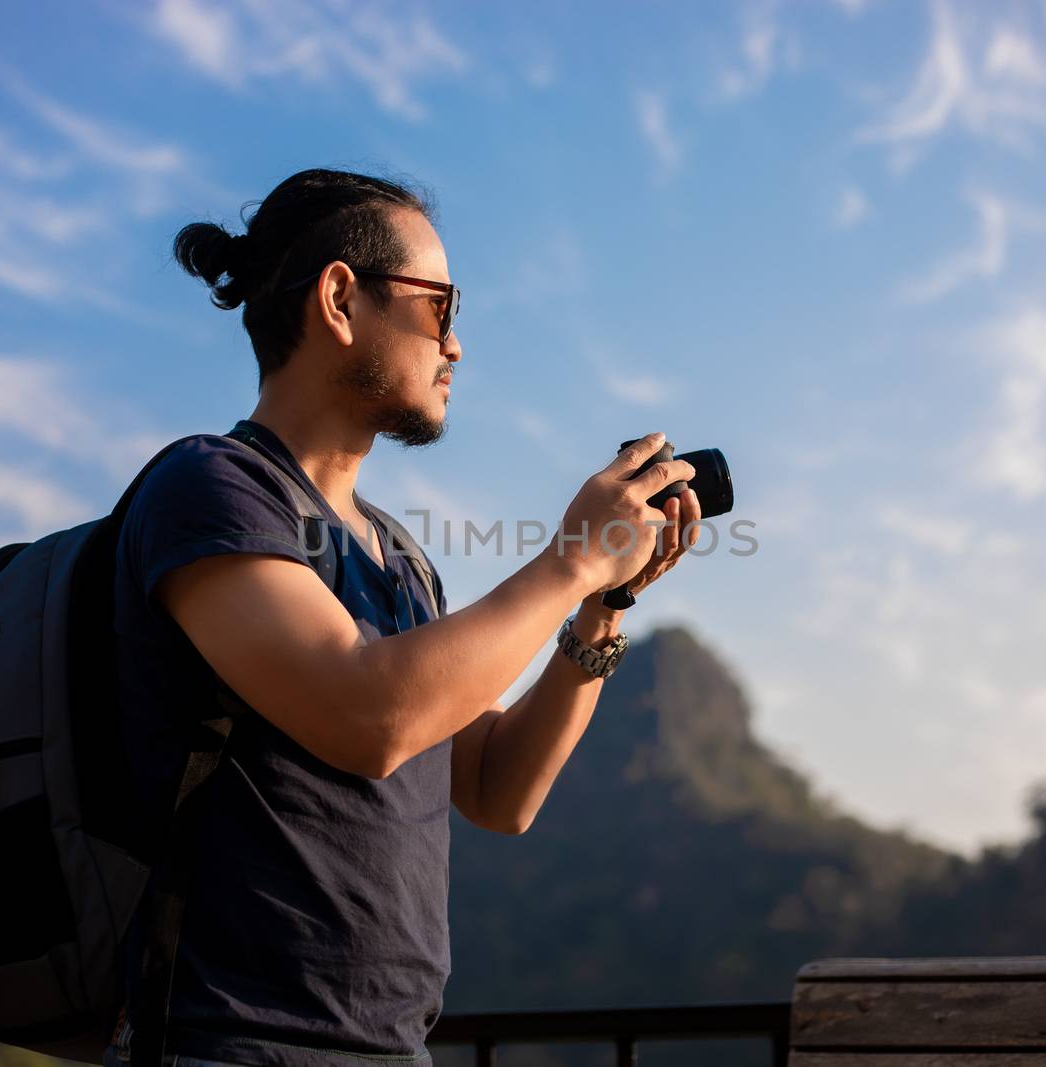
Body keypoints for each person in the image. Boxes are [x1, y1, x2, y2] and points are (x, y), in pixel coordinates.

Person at [108, 168, 702, 1067]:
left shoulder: (395, 557)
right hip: (227, 1048)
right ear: (341, 299)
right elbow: (371, 715)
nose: (456, 346)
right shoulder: (211, 490)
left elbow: (497, 789)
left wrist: (599, 606)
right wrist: (573, 555)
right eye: (441, 306)